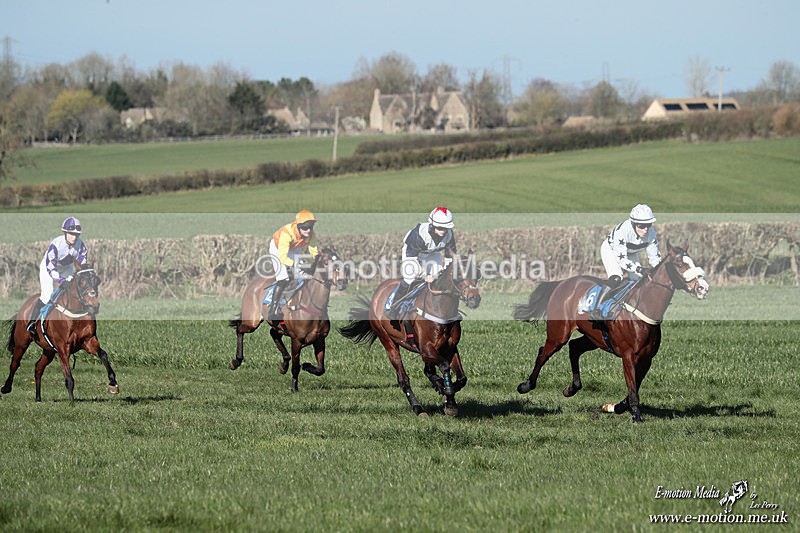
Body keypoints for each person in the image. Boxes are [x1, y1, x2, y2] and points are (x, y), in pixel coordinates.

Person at [387, 207, 457, 320]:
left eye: (446, 228)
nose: (443, 231)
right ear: (432, 225)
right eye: (440, 227)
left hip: (432, 254)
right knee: (410, 277)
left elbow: (450, 256)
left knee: (438, 277)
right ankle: (394, 305)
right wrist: (424, 276)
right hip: (412, 254)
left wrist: (448, 269)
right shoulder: (418, 234)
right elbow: (413, 260)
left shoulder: (449, 234)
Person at [27, 217, 88, 333]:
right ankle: (32, 322)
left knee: (73, 291)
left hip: (67, 268)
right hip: (49, 269)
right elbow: (50, 267)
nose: (74, 237)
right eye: (71, 234)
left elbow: (82, 263)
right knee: (46, 296)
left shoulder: (80, 245)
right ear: (65, 232)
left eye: (76, 235)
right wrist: (61, 280)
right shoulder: (56, 244)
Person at [596, 203, 661, 307]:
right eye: (641, 225)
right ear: (633, 223)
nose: (646, 229)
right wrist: (640, 269)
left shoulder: (651, 233)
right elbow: (622, 260)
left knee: (639, 281)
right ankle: (597, 308)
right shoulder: (622, 231)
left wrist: (658, 272)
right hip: (611, 250)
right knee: (616, 278)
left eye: (649, 225)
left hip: (631, 252)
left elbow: (655, 259)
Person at [267, 210, 319, 320]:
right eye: (305, 228)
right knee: (283, 278)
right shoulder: (287, 233)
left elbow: (314, 251)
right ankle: (273, 309)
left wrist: (317, 263)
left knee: (303, 276)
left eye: (311, 227)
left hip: (294, 247)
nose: (308, 230)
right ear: (298, 226)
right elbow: (283, 258)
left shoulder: (311, 234)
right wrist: (297, 265)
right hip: (278, 249)